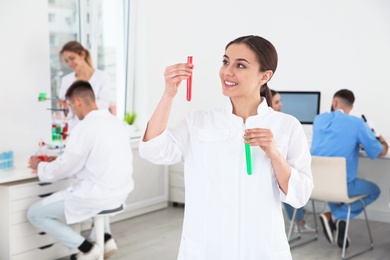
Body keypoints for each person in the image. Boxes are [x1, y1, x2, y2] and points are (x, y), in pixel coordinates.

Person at [138, 35, 313, 259]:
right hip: (207, 247)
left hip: (261, 248)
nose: (227, 71)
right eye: (225, 62)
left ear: (265, 76)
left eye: (240, 65)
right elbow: (153, 150)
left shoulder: (287, 126)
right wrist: (169, 94)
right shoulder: (198, 122)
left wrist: (275, 155)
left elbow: (300, 195)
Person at [27, 80, 134, 260]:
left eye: (70, 105)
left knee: (35, 213)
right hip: (119, 193)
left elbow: (65, 169)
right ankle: (105, 237)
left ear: (77, 101)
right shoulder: (116, 123)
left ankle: (86, 248)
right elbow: (95, 159)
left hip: (96, 195)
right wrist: (62, 158)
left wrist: (41, 166)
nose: (71, 111)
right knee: (95, 190)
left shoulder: (84, 127)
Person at [311, 89, 388, 249]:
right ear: (351, 107)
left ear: (334, 103)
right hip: (341, 187)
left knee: (335, 190)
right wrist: (383, 142)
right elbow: (379, 151)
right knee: (374, 191)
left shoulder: (318, 120)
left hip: (316, 186)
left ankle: (337, 221)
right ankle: (335, 216)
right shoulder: (356, 123)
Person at [271, 89, 314, 233]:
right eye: (276, 102)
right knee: (287, 178)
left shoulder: (290, 126)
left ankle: (298, 222)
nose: (281, 105)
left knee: (291, 178)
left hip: (301, 188)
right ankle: (299, 222)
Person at [58, 41, 111, 131]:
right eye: (66, 61)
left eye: (72, 58)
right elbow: (67, 115)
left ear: (82, 54)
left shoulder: (102, 77)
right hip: (76, 129)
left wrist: (80, 103)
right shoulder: (66, 80)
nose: (70, 64)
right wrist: (65, 108)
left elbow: (104, 106)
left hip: (97, 128)